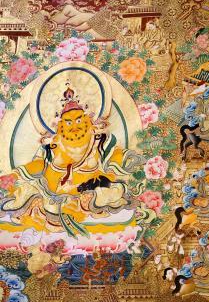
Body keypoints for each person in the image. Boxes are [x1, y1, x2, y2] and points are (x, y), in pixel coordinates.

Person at [0, 86, 139, 236]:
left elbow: (116, 155)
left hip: (86, 192)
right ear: (60, 125)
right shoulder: (52, 144)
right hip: (52, 193)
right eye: (68, 122)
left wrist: (119, 165)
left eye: (79, 120)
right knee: (33, 199)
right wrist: (15, 175)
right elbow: (39, 164)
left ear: (87, 119)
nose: (74, 126)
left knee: (109, 193)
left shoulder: (99, 140)